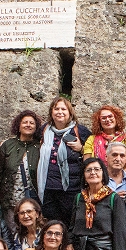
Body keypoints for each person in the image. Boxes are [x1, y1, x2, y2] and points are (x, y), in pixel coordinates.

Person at [38, 96, 92, 227]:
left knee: (71, 223)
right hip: (48, 188)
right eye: (56, 109)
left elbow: (93, 150)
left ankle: (70, 247)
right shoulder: (44, 130)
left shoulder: (80, 131)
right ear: (51, 112)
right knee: (52, 224)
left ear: (70, 113)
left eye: (64, 109)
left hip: (71, 189)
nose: (60, 112)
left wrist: (81, 148)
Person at [0, 109, 42, 229]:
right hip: (11, 200)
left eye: (32, 123)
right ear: (18, 126)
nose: (28, 125)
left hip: (32, 201)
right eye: (25, 122)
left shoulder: (40, 147)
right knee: (12, 234)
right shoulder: (8, 145)